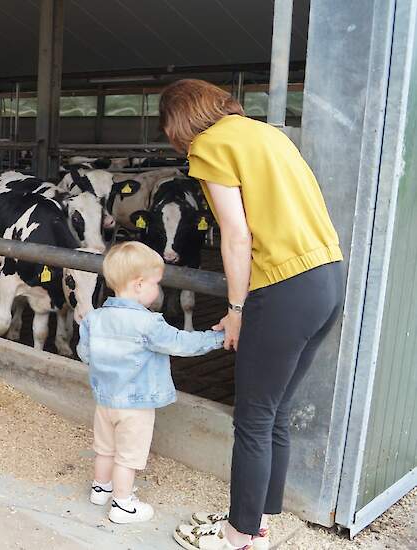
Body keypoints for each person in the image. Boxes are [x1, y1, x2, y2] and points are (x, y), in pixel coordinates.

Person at [159, 79, 344, 550]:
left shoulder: (209, 145)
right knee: (274, 412)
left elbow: (236, 235)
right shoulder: (265, 134)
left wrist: (236, 308)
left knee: (254, 418)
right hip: (326, 277)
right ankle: (258, 521)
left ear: (178, 122)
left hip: (282, 286)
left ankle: (239, 536)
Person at [78, 241, 224, 524]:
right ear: (139, 284)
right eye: (156, 284)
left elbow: (85, 354)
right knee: (127, 457)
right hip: (136, 405)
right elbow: (181, 343)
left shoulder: (94, 318)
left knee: (105, 449)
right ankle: (122, 504)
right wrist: (216, 338)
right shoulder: (149, 324)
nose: (159, 290)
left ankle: (100, 488)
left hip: (105, 400)